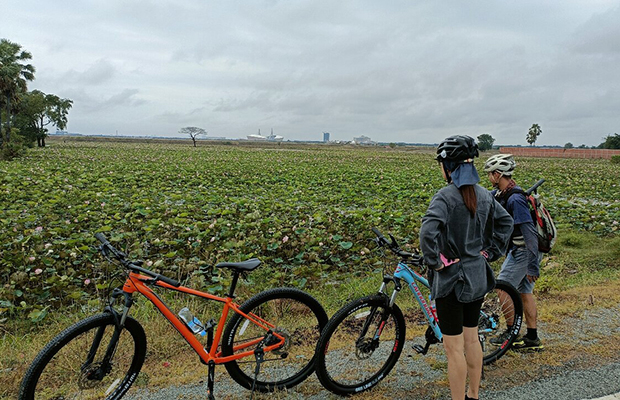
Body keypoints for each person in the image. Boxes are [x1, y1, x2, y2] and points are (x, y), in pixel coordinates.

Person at [420, 136, 513, 400]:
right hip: (477, 275)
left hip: (452, 281)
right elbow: (505, 223)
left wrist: (435, 262)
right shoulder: (484, 194)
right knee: (472, 340)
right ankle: (473, 395)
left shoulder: (445, 196)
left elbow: (427, 233)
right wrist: (490, 252)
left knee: (453, 348)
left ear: (448, 166)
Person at [483, 153, 544, 351]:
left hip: (524, 251)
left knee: (503, 288)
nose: (489, 177)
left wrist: (533, 265)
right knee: (524, 292)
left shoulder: (516, 199)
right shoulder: (502, 194)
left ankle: (512, 334)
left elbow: (530, 234)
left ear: (498, 174)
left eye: (491, 174)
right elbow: (486, 198)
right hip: (520, 250)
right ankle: (532, 338)